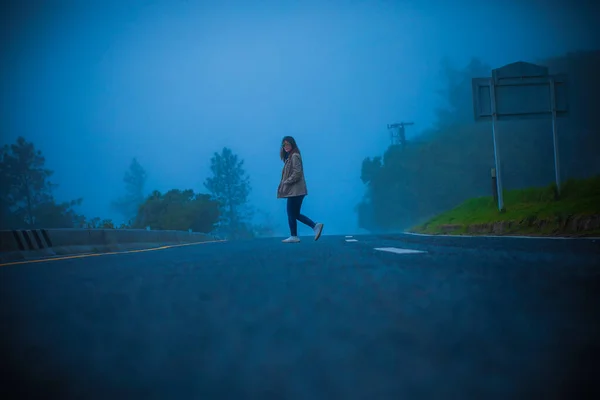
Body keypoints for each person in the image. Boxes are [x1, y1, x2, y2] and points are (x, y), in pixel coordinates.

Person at [277, 136, 324, 243]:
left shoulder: (294, 156)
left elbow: (297, 173)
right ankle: (314, 226)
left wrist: (286, 182)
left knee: (290, 212)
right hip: (296, 190)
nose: (286, 147)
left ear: (292, 144)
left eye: (288, 144)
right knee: (295, 213)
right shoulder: (289, 157)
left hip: (296, 191)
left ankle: (295, 235)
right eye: (284, 145)